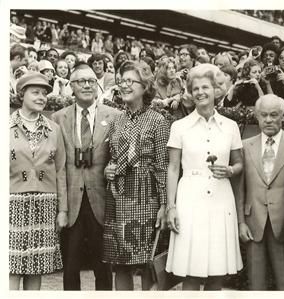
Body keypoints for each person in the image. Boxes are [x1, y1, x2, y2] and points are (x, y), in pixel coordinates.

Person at [165, 63, 243, 290]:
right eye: (195, 88)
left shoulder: (230, 126)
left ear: (217, 90)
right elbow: (172, 168)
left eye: (205, 87)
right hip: (190, 199)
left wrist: (229, 170)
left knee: (217, 273)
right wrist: (171, 207)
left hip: (221, 199)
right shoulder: (179, 126)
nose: (200, 92)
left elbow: (239, 164)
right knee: (191, 273)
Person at [102, 60, 169, 290]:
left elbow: (162, 166)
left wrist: (164, 204)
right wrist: (108, 169)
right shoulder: (115, 120)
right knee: (119, 262)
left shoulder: (158, 120)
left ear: (145, 86)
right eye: (122, 81)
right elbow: (111, 158)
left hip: (146, 198)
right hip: (118, 197)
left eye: (131, 81)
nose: (124, 85)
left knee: (147, 262)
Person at [52, 63, 119, 290]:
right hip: (71, 202)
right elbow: (59, 168)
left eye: (92, 81)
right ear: (71, 86)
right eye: (81, 81)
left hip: (102, 200)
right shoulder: (58, 118)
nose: (87, 85)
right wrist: (62, 209)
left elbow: (119, 156)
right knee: (70, 267)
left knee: (103, 267)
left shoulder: (114, 116)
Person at [236, 94, 284, 290]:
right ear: (256, 115)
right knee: (256, 284)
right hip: (253, 223)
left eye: (274, 114)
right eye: (263, 115)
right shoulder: (245, 145)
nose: (268, 120)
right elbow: (240, 188)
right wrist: (240, 222)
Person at [9, 72, 68, 290]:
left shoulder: (54, 130)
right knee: (10, 266)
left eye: (44, 93)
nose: (42, 97)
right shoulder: (5, 126)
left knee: (36, 267)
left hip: (45, 205)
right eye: (36, 92)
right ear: (22, 94)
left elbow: (61, 170)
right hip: (11, 204)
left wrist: (63, 210)